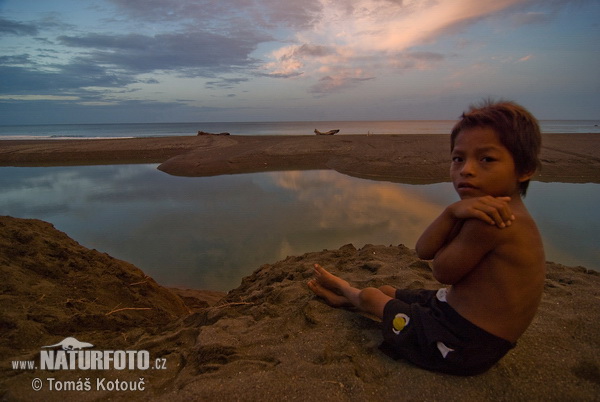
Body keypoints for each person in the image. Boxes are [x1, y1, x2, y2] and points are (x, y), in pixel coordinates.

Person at [308, 100, 546, 376]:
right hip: (455, 315)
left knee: (374, 296)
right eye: (458, 158)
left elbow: (442, 270)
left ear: (525, 169)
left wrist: (456, 217)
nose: (466, 169)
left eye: (486, 159)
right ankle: (354, 300)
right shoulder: (486, 210)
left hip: (464, 345)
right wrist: (451, 212)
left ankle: (345, 292)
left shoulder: (494, 222)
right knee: (388, 291)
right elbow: (422, 250)